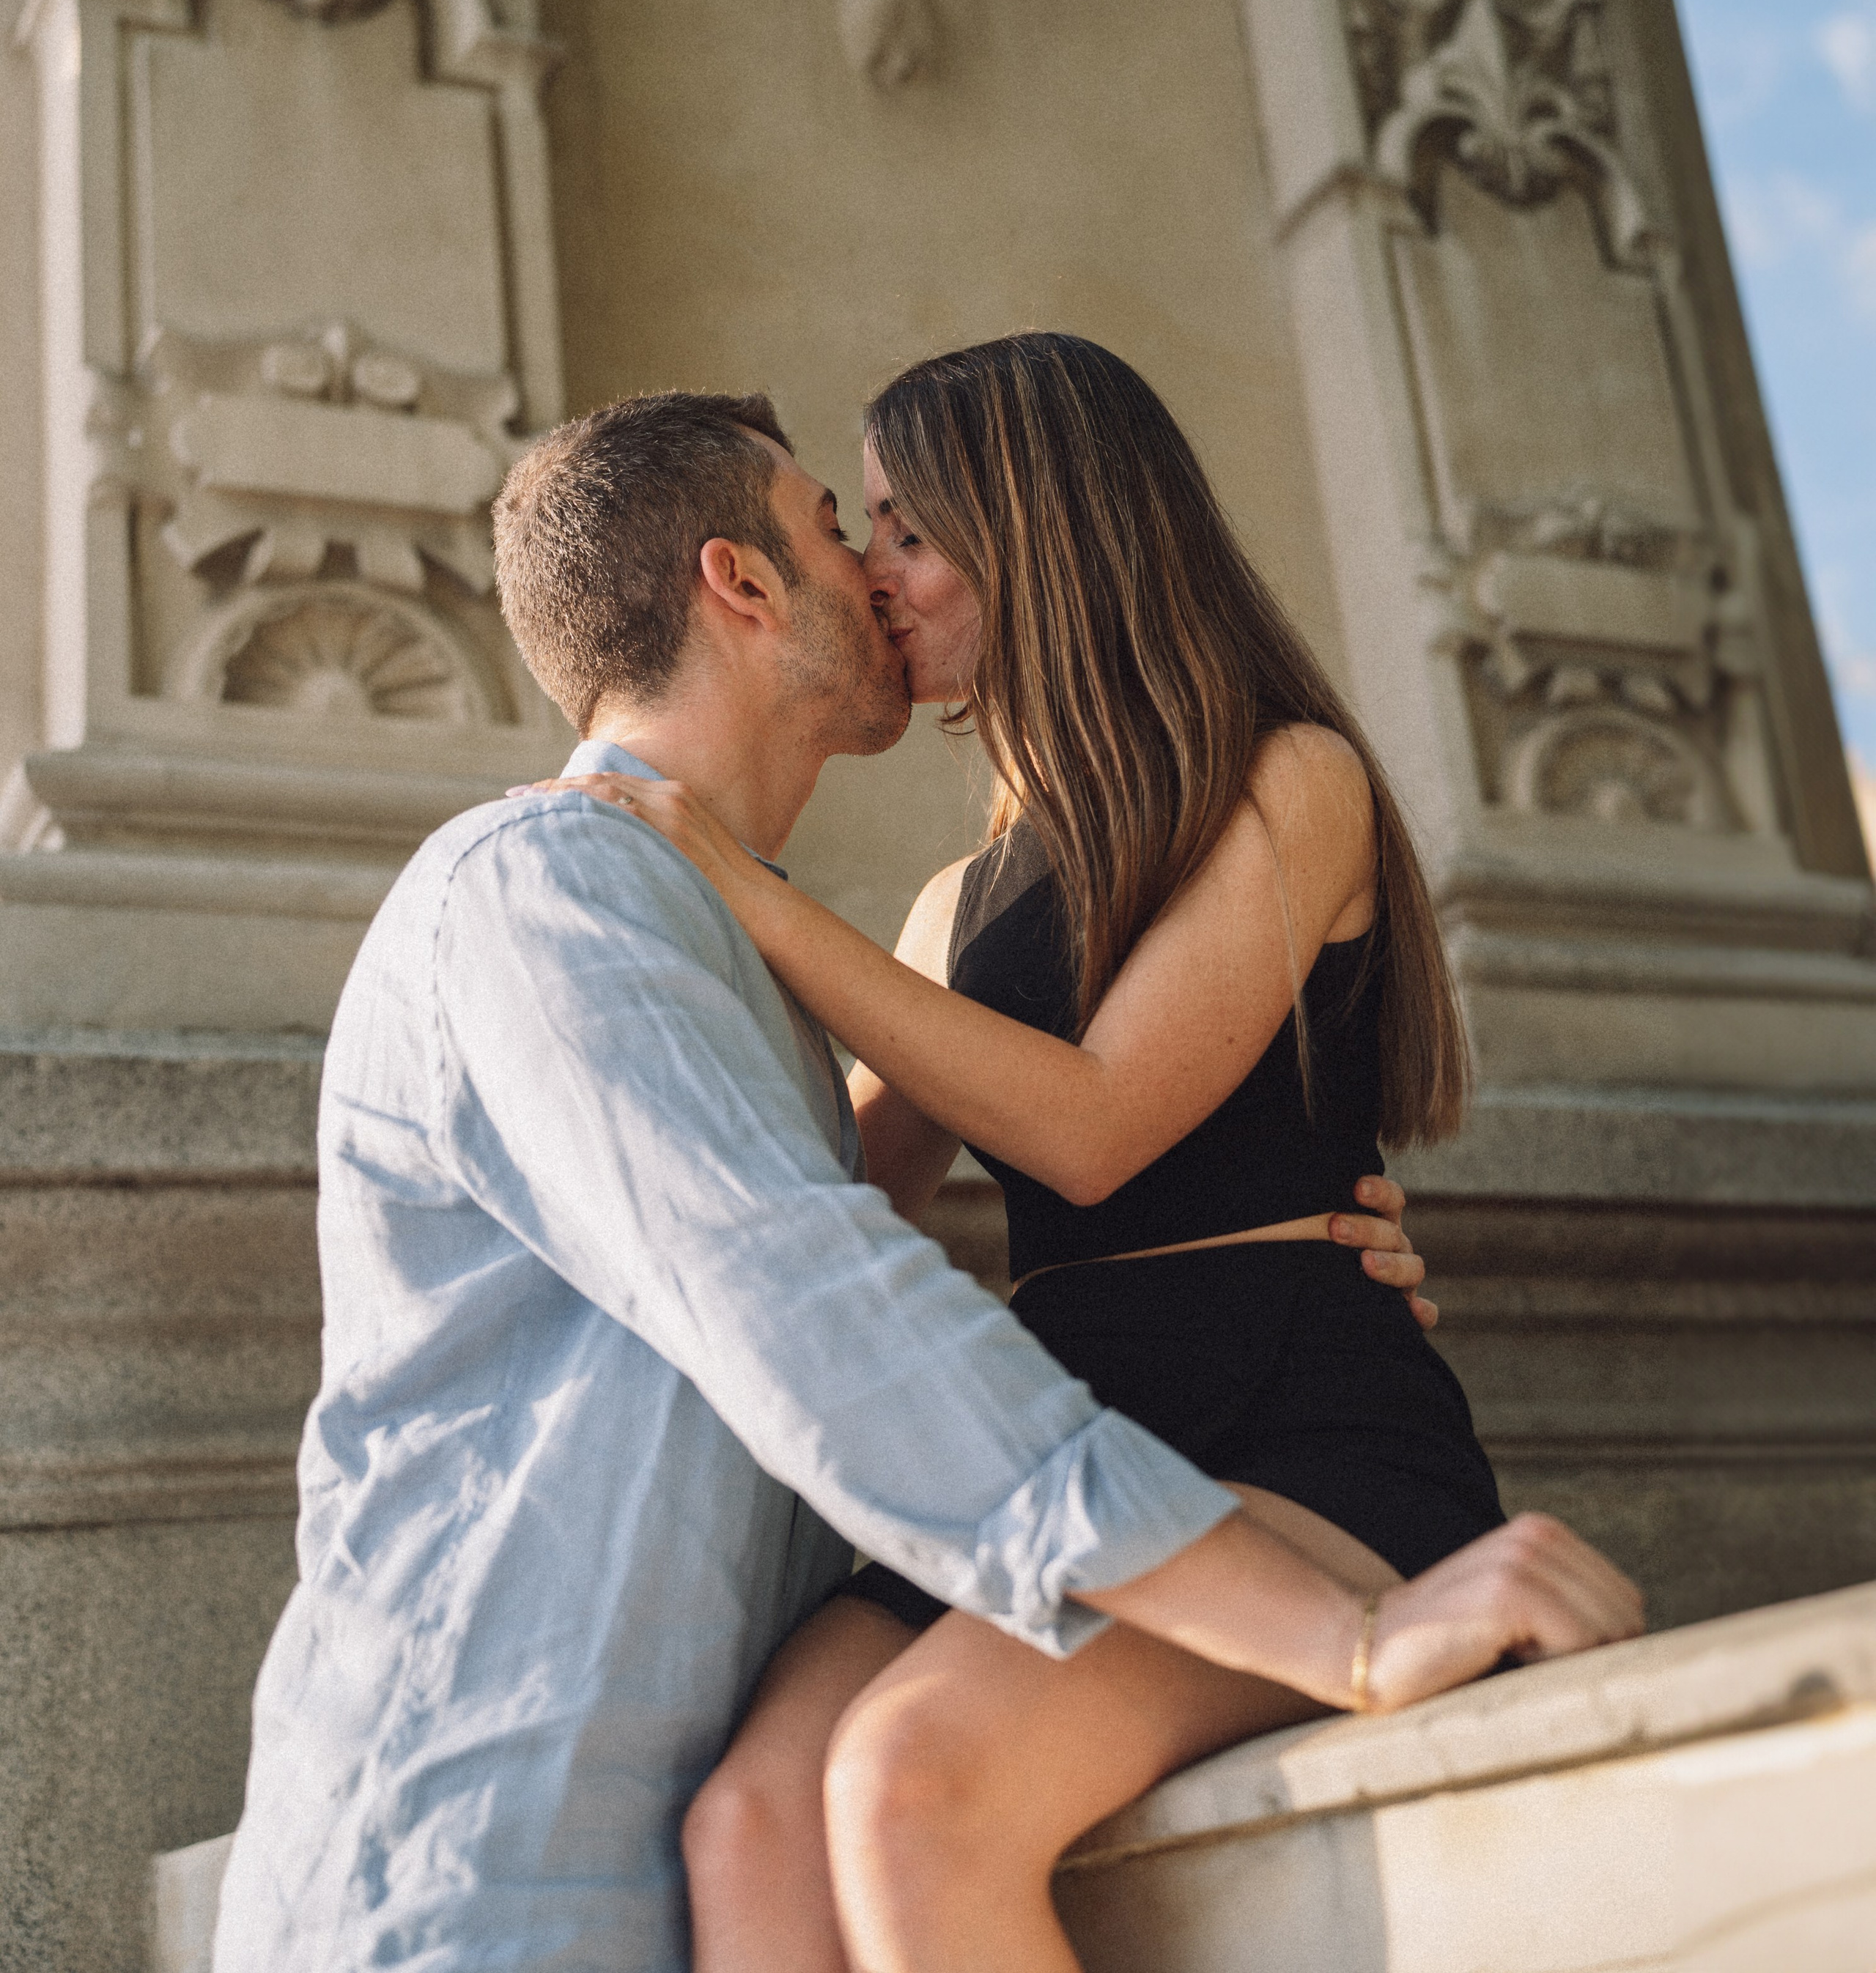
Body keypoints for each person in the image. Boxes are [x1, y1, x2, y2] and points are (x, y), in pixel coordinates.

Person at [215, 384, 1640, 1973]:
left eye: (904, 526)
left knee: (906, 1781)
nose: (877, 568)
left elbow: (1077, 1132)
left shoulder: (1273, 775)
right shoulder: (764, 901)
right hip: (1070, 1440)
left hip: (1281, 1426)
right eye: (850, 525)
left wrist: (1289, 1230)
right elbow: (827, 1242)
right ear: (738, 585)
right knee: (749, 1826)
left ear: (1034, 530)